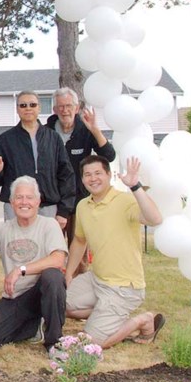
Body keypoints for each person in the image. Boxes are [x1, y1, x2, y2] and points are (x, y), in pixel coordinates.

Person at [65, 155, 166, 349]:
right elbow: (79, 240)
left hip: (124, 288)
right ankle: (107, 316)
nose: (92, 178)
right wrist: (69, 272)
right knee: (61, 304)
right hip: (97, 280)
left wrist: (135, 186)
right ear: (82, 179)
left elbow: (155, 219)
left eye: (98, 173)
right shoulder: (83, 205)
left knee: (91, 343)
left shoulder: (125, 201)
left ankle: (143, 321)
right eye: (87, 175)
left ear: (109, 175)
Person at [0, 177, 68, 353]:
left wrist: (20, 270)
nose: (24, 202)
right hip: (16, 298)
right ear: (11, 202)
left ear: (38, 201)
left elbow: (58, 259)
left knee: (53, 276)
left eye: (29, 197)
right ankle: (32, 325)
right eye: (19, 197)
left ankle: (54, 342)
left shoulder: (49, 224)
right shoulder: (3, 229)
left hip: (42, 292)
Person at [0, 90, 75, 230]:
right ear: (17, 109)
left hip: (48, 207)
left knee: (47, 250)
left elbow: (66, 175)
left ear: (39, 108)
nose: (28, 108)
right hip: (16, 208)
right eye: (23, 105)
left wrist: (63, 210)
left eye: (32, 105)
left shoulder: (53, 138)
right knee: (16, 249)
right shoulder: (5, 140)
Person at [45, 87, 116, 256]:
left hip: (80, 201)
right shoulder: (45, 132)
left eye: (69, 106)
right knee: (50, 252)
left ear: (77, 108)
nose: (65, 110)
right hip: (52, 202)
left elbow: (109, 155)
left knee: (79, 254)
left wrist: (95, 130)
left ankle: (77, 282)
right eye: (60, 106)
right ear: (54, 109)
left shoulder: (85, 130)